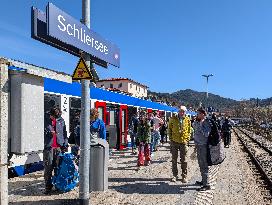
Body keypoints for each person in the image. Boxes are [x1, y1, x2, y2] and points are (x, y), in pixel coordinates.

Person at [43, 106, 68, 194]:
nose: (54, 119)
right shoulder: (45, 119)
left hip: (59, 147)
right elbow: (39, 131)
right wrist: (49, 133)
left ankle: (58, 185)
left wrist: (65, 144)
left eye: (56, 117)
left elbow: (64, 133)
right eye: (53, 117)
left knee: (58, 168)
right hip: (49, 148)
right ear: (51, 114)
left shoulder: (61, 120)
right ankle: (48, 187)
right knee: (48, 168)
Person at [168, 106, 191, 183]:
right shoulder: (173, 118)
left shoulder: (187, 119)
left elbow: (189, 130)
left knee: (184, 160)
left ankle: (184, 176)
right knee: (174, 159)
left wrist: (187, 138)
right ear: (178, 111)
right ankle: (175, 175)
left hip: (183, 142)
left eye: (183, 111)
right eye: (181, 111)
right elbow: (169, 129)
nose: (182, 113)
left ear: (185, 112)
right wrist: (171, 139)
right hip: (174, 142)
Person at [193, 108, 211, 191]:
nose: (197, 114)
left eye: (198, 113)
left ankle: (206, 184)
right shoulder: (198, 121)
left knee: (204, 164)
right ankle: (204, 181)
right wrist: (197, 123)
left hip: (203, 146)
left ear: (203, 114)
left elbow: (206, 134)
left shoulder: (206, 122)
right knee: (200, 164)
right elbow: (195, 129)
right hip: (198, 145)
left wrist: (200, 124)